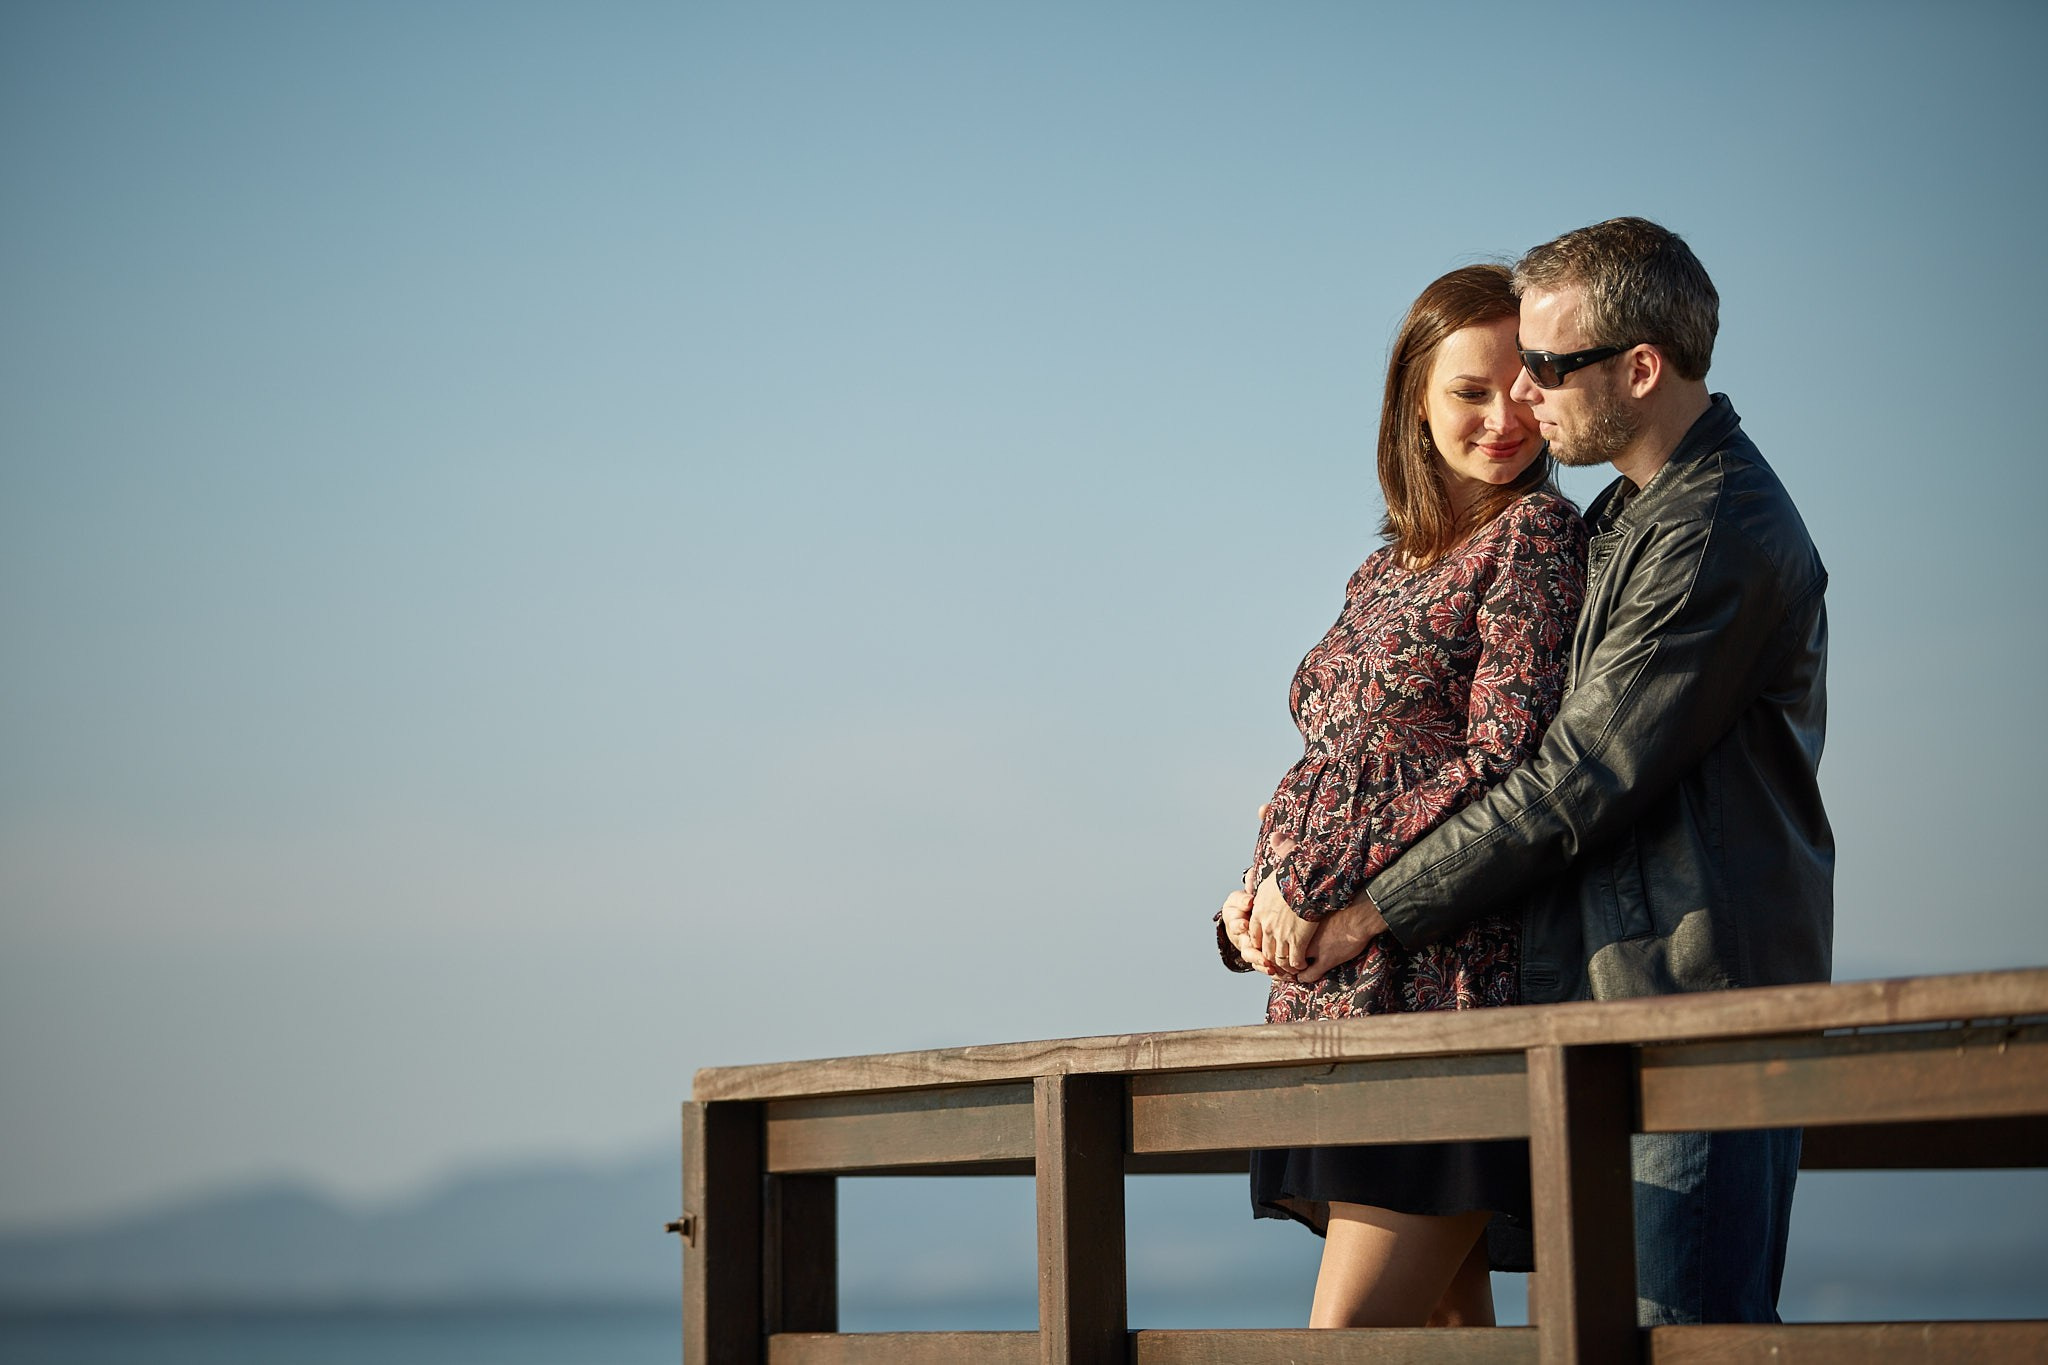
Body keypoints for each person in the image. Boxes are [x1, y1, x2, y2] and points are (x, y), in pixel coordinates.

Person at [1264, 217, 1833, 1326]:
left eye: (1547, 366)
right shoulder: (1626, 519)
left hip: (1688, 998)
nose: (1526, 394)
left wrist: (1366, 907)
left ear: (1637, 367)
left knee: (1676, 1331)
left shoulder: (1710, 530)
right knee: (1574, 1339)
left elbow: (1569, 776)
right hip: (1603, 1000)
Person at [1215, 263, 1588, 1328]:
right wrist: (1253, 893)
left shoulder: (1534, 540)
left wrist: (1318, 879)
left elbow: (1500, 758)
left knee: (1346, 1341)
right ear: (1413, 404)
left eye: (1526, 383)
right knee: (1444, 1339)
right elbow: (1331, 768)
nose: (1503, 414)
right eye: (1469, 391)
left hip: (1443, 987)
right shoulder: (1385, 569)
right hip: (1337, 999)